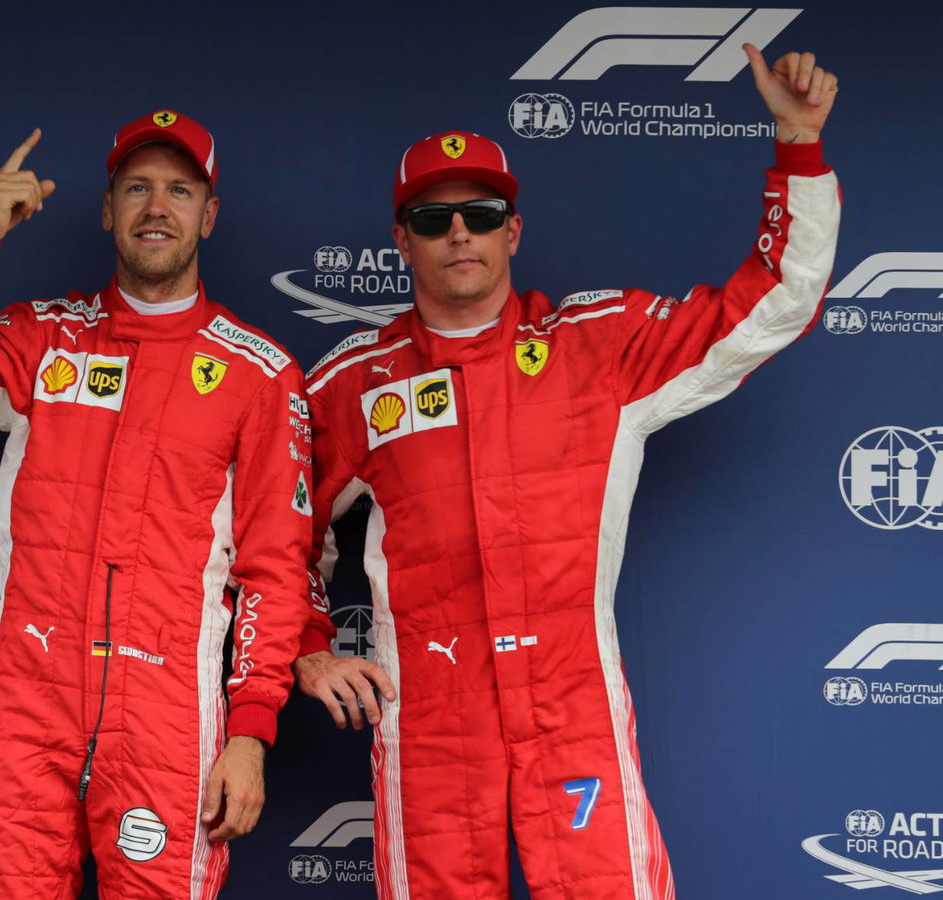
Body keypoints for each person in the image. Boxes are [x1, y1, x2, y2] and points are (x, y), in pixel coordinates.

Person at [295, 45, 839, 899]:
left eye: (480, 213)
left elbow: (772, 306)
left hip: (572, 706)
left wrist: (799, 148)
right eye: (433, 219)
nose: (459, 233)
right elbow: (270, 534)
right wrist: (309, 651)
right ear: (402, 240)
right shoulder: (353, 382)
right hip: (431, 721)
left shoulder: (598, 347)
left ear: (512, 231)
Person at [0, 110, 312, 898]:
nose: (156, 207)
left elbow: (276, 571)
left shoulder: (259, 372)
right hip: (26, 700)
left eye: (179, 191)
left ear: (209, 215)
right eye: (136, 188)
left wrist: (249, 733)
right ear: (107, 210)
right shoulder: (45, 336)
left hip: (167, 712)